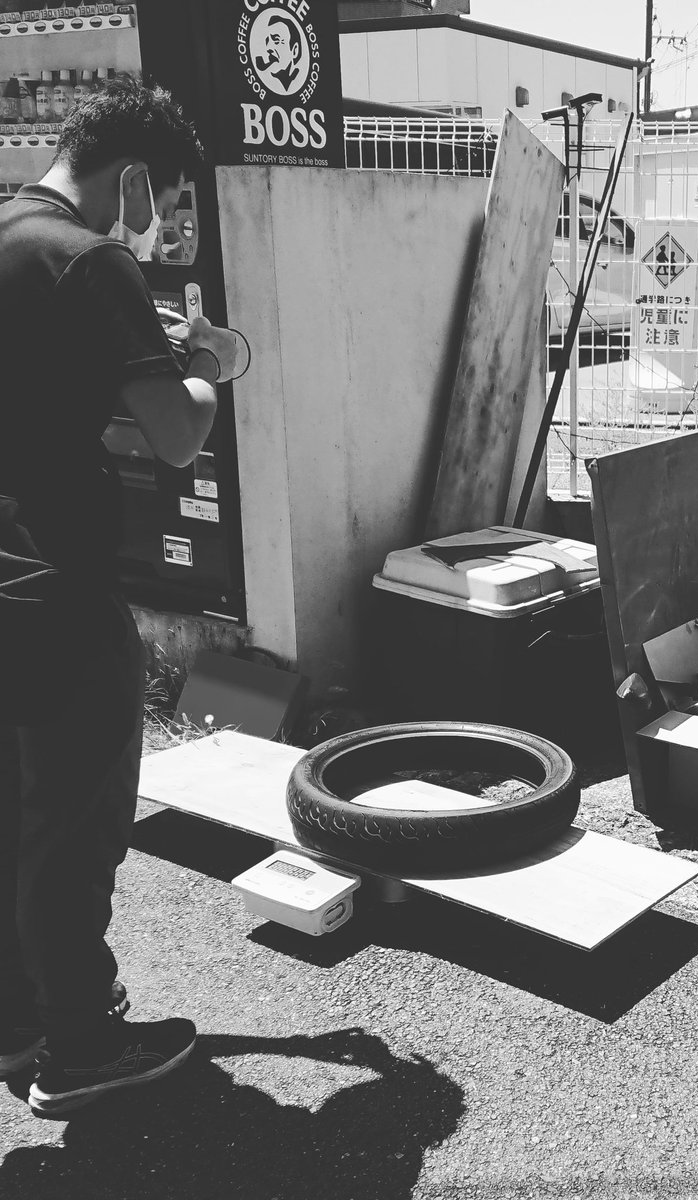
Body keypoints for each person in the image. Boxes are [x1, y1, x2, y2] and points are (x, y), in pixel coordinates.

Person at [0, 76, 239, 1116]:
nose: (158, 225)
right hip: (56, 585)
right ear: (133, 177)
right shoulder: (92, 260)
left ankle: (19, 1025)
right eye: (163, 202)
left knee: (13, 810)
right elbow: (177, 434)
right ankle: (81, 1046)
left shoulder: (10, 234)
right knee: (75, 821)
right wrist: (206, 365)